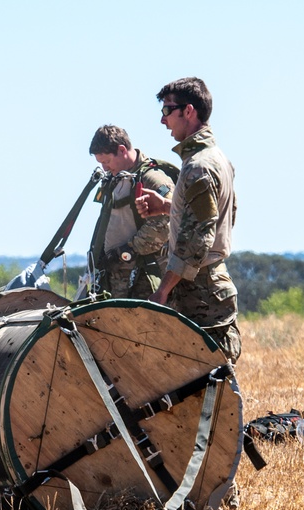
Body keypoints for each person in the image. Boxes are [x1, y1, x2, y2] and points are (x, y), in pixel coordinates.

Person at [136, 77, 241, 363]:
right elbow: (216, 216)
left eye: (167, 110)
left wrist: (162, 290)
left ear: (189, 111)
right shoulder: (215, 159)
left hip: (200, 292)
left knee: (202, 383)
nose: (162, 120)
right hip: (207, 285)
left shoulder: (198, 167)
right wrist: (168, 206)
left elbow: (197, 239)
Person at [85, 125, 177, 299]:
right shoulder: (116, 178)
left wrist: (126, 251)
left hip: (145, 278)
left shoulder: (152, 179)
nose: (104, 168)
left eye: (106, 161)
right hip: (117, 277)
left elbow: (162, 227)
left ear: (121, 150)